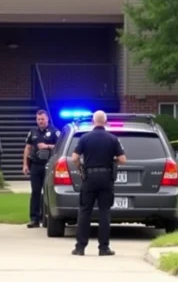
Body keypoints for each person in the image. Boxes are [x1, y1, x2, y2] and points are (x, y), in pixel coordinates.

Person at [71, 110, 127, 256]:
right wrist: (112, 161)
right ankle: (103, 248)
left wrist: (80, 169)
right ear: (106, 122)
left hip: (89, 178)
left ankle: (80, 247)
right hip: (106, 178)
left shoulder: (85, 138)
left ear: (93, 122)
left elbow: (75, 157)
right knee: (104, 213)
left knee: (84, 212)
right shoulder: (113, 139)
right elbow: (122, 159)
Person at [23, 109, 60, 228]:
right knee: (35, 192)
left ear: (47, 119)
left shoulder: (55, 132)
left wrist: (47, 146)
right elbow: (27, 148)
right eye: (38, 119)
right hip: (35, 165)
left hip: (49, 166)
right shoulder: (33, 132)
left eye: (42, 119)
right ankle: (34, 219)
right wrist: (25, 164)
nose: (40, 121)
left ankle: (47, 218)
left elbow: (60, 147)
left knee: (48, 192)